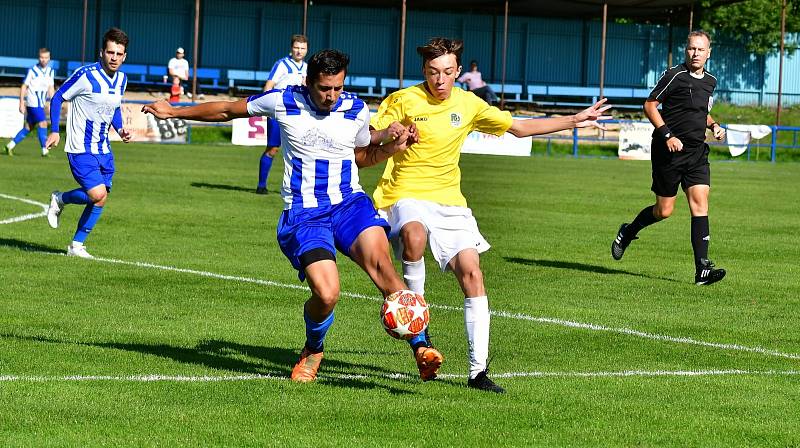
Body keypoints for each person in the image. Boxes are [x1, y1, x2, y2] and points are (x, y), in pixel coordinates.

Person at [141, 49, 445, 384]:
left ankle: (421, 347)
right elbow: (228, 109)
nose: (331, 96)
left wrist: (390, 143)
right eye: (324, 89)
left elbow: (359, 155)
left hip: (349, 206)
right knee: (327, 294)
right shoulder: (283, 101)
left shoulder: (356, 109)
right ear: (308, 82)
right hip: (305, 215)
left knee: (384, 269)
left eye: (337, 88)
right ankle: (313, 349)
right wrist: (175, 110)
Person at [370, 37, 611, 393]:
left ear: (459, 72)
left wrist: (576, 118)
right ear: (424, 71)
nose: (440, 80)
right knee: (414, 236)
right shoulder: (403, 100)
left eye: (448, 72)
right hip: (405, 193)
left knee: (472, 273)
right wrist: (393, 135)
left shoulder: (469, 104)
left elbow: (519, 128)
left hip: (450, 201)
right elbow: (370, 138)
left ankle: (478, 372)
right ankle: (419, 333)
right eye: (434, 72)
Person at [611, 30, 726, 286]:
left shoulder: (710, 81)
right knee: (664, 211)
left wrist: (714, 125)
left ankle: (702, 270)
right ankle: (627, 232)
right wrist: (667, 135)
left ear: (709, 52)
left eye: (700, 49)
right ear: (686, 50)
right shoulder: (673, 75)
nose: (695, 53)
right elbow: (650, 104)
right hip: (669, 153)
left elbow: (700, 112)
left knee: (700, 204)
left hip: (697, 153)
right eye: (691, 49)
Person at [44, 28, 132, 259]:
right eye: (110, 52)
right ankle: (60, 198)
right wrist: (54, 130)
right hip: (80, 148)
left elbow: (113, 108)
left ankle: (76, 246)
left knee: (101, 198)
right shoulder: (86, 75)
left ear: (125, 56)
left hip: (103, 149)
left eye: (119, 53)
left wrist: (120, 129)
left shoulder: (122, 79)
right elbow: (58, 97)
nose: (114, 57)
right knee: (96, 194)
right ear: (102, 52)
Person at [256, 34, 309, 195]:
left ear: (306, 50)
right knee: (273, 149)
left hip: (299, 115)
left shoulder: (308, 67)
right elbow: (269, 86)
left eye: (302, 48)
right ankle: (261, 185)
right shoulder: (282, 64)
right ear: (291, 48)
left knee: (302, 151)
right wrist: (267, 108)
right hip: (279, 113)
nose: (299, 51)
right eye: (296, 47)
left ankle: (298, 189)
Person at [5, 48, 55, 157]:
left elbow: (51, 88)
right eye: (42, 57)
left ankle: (10, 145)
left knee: (29, 127)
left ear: (49, 58)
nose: (44, 60)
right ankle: (45, 150)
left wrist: (53, 102)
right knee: (43, 123)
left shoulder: (51, 71)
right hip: (33, 102)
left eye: (46, 57)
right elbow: (24, 86)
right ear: (39, 57)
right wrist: (21, 102)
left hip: (40, 103)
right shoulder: (32, 70)